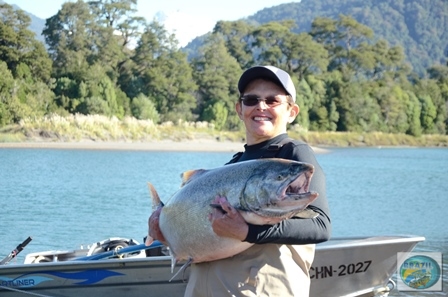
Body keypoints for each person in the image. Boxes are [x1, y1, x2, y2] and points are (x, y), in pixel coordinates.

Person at [148, 65, 331, 297]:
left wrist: (248, 232)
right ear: (239, 108)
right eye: (251, 99)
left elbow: (320, 226)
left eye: (272, 100)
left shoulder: (295, 154)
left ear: (292, 111)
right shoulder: (233, 165)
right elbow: (199, 228)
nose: (261, 106)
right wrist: (161, 229)